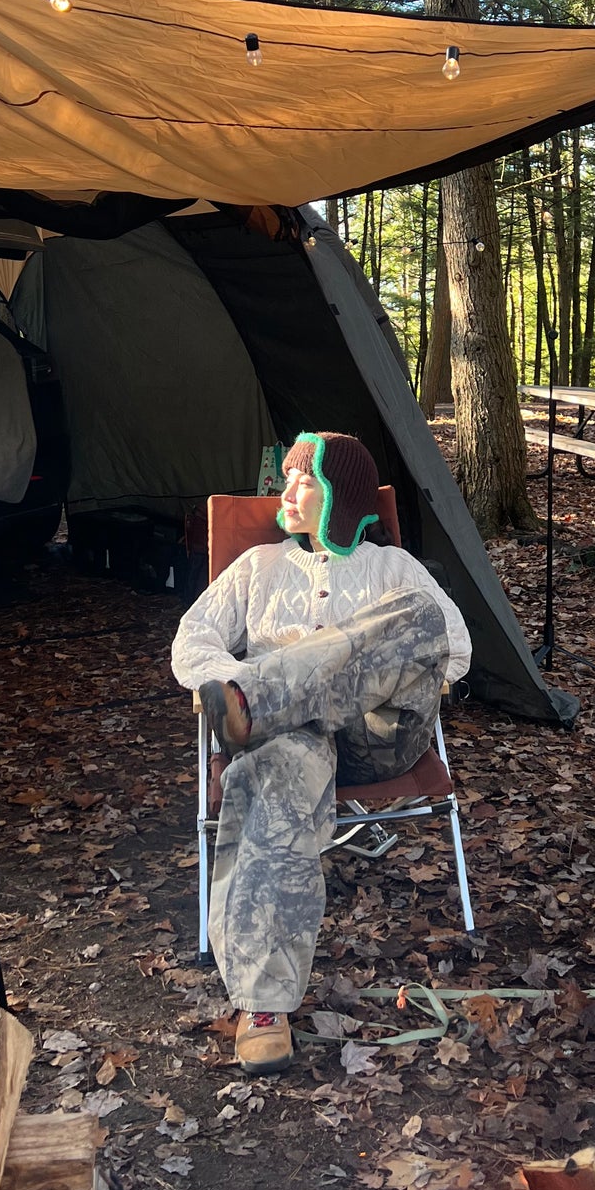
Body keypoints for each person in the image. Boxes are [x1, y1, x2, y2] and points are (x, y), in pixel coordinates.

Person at [171, 431, 471, 1073]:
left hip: (379, 734)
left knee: (418, 616)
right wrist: (260, 690)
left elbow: (456, 648)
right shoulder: (258, 567)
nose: (286, 492)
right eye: (285, 477)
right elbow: (192, 641)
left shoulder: (395, 571)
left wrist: (343, 667)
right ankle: (263, 1006)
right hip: (289, 741)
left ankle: (263, 699)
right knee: (276, 770)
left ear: (340, 496)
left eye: (302, 479)